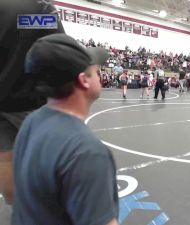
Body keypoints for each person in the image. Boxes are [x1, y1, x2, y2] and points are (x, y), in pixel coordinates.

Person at [12, 34, 118, 225]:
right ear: (84, 80)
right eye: (95, 71)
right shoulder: (86, 153)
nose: (99, 74)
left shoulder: (32, 122)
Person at [0, 0, 65, 219]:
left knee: (5, 160)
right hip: (34, 103)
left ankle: (19, 211)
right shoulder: (39, 8)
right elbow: (60, 49)